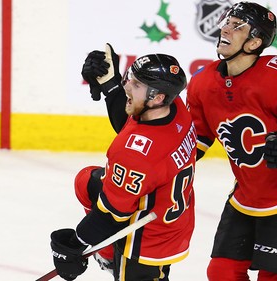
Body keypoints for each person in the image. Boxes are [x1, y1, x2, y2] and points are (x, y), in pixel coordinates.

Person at [185, 2, 277, 281]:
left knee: (273, 279)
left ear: (254, 42)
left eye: (238, 25)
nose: (225, 27)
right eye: (227, 21)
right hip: (245, 196)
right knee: (222, 272)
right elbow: (194, 143)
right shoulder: (202, 82)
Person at [49, 43, 198, 281]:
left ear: (157, 97)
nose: (127, 84)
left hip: (147, 239)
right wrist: (111, 87)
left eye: (136, 84)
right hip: (171, 214)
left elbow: (111, 216)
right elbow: (133, 123)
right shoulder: (175, 108)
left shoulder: (134, 153)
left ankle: (112, 256)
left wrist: (75, 247)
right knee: (88, 181)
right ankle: (109, 256)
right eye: (131, 78)